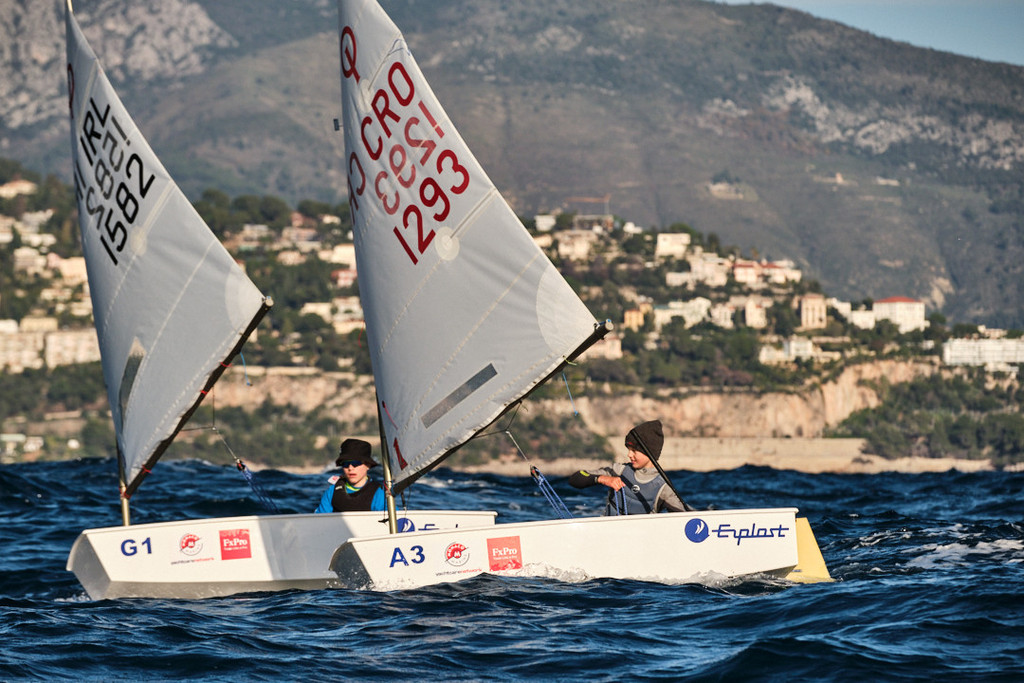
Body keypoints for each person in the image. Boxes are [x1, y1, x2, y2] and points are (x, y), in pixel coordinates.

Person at [568, 419, 692, 515]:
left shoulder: (663, 488)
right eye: (628, 449)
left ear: (649, 452)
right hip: (608, 534)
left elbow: (685, 517)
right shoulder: (619, 470)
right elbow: (575, 478)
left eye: (634, 450)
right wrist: (601, 478)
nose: (629, 455)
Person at [314, 438, 386, 512]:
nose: (350, 468)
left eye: (356, 463)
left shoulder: (379, 494)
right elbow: (320, 517)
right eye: (346, 464)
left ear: (368, 465)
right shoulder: (331, 492)